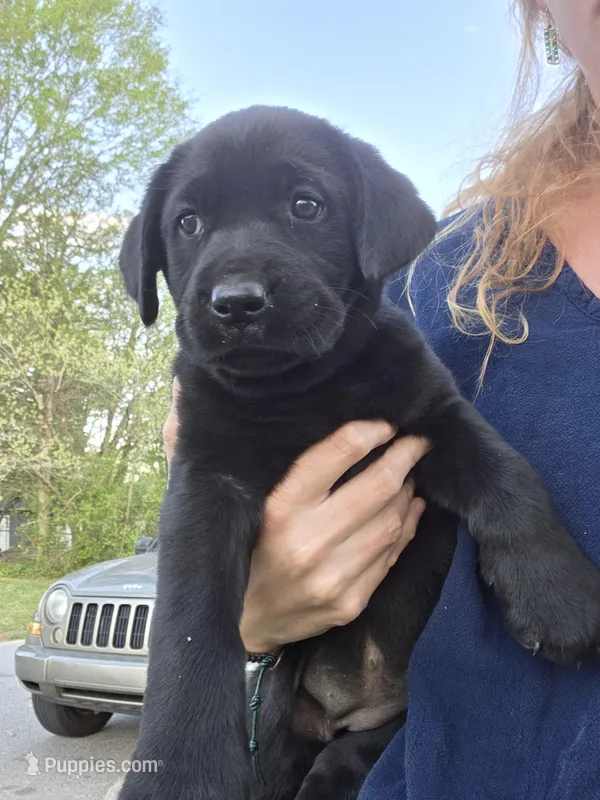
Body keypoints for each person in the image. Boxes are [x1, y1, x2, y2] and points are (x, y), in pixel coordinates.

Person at [163, 1, 600, 797]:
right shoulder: (449, 284)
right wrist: (249, 622)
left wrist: (527, 540)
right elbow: (218, 544)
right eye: (189, 221)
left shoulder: (399, 336)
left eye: (304, 206)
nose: (235, 277)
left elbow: (456, 447)